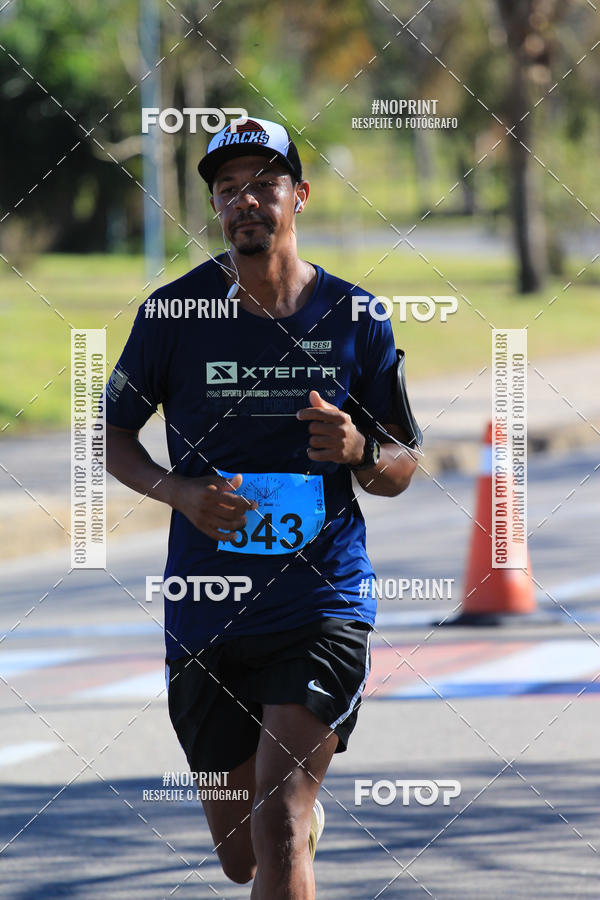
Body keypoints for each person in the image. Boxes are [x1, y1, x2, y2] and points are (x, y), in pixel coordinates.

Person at [105, 115, 420, 900]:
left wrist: (360, 450)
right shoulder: (173, 316)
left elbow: (402, 466)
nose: (245, 201)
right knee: (242, 855)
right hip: (206, 609)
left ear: (299, 196)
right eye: (227, 189)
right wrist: (179, 492)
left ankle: (295, 820)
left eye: (264, 184)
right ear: (216, 205)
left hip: (322, 601)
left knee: (277, 824)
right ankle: (295, 829)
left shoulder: (357, 318)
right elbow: (108, 437)